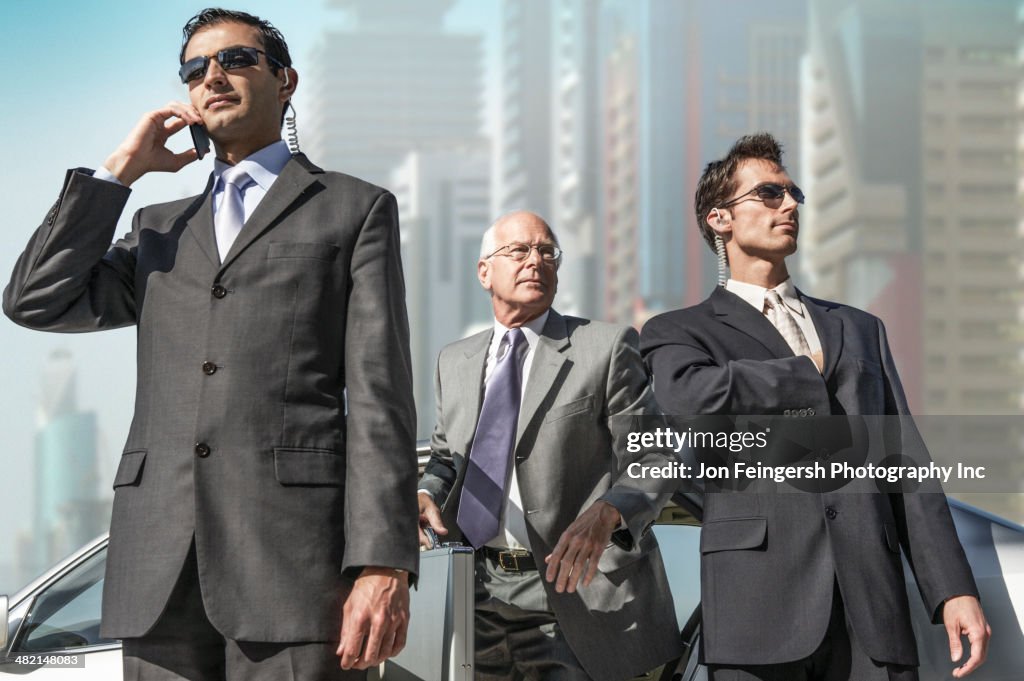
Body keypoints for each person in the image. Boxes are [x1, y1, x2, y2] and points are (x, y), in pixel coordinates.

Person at [3, 8, 418, 680]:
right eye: (195, 70)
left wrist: (382, 561)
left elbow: (380, 399)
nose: (212, 77)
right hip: (156, 572)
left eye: (236, 60)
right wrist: (118, 173)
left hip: (295, 570)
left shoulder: (353, 208)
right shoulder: (159, 229)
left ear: (285, 80)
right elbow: (34, 299)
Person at [640, 133, 991, 681]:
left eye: (793, 192)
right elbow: (689, 400)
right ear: (719, 219)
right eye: (769, 194)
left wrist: (952, 590)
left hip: (872, 614)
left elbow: (908, 468)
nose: (790, 204)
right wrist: (804, 374)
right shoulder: (679, 331)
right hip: (756, 611)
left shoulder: (860, 328)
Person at [417, 211, 682, 681]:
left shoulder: (605, 346)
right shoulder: (453, 361)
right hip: (475, 593)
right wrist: (426, 494)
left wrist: (610, 512)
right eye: (518, 251)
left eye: (547, 252)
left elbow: (656, 454)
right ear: (484, 272)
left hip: (577, 595)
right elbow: (445, 456)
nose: (535, 261)